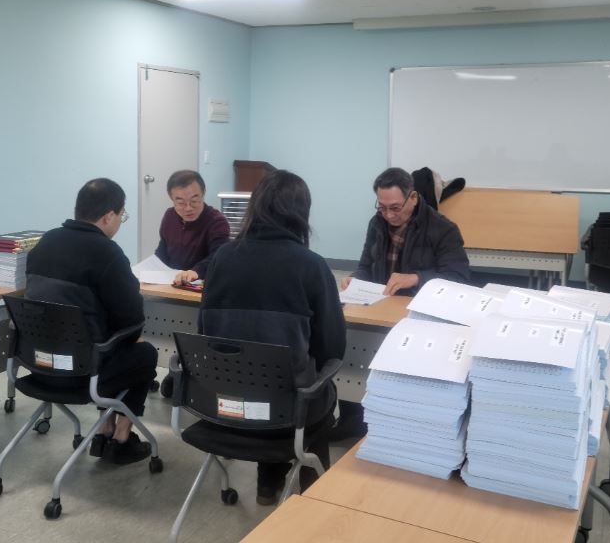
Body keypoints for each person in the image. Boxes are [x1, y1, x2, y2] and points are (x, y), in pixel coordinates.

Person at [199, 170, 346, 506]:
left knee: (268, 379)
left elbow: (205, 332)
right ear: (301, 213)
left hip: (221, 407)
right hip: (284, 414)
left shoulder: (222, 258)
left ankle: (268, 487)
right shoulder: (311, 266)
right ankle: (314, 499)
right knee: (313, 390)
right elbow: (332, 348)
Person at [25, 178, 158, 465]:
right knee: (143, 353)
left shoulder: (46, 241)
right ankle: (121, 438)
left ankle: (103, 431)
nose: (120, 221)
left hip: (38, 365)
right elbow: (133, 318)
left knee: (105, 346)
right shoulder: (107, 252)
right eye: (121, 215)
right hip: (82, 375)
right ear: (108, 216)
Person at [334, 167, 471, 440]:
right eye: (382, 207)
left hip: (417, 320)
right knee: (349, 344)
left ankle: (396, 427)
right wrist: (354, 279)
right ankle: (352, 420)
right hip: (376, 311)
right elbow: (365, 265)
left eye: (395, 208)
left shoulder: (442, 229)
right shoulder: (377, 224)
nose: (388, 215)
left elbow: (459, 279)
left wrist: (416, 278)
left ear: (413, 198)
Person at [155, 169, 230, 285]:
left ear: (203, 194)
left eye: (194, 201)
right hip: (171, 282)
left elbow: (218, 256)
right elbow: (163, 249)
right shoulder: (170, 216)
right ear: (172, 199)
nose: (188, 208)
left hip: (201, 285)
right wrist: (152, 268)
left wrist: (196, 271)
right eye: (181, 203)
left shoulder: (217, 221)